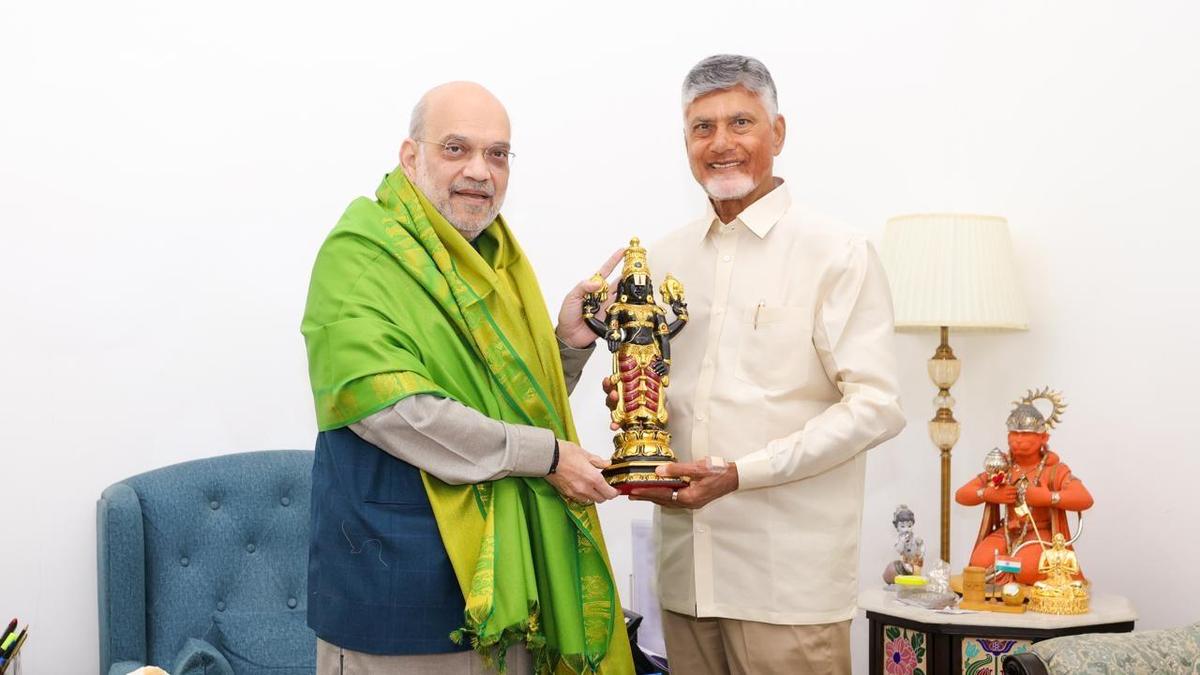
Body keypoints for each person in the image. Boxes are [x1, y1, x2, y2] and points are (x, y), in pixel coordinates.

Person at [301, 81, 633, 674]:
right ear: (411, 157)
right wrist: (548, 457)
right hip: (398, 598)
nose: (480, 170)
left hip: (513, 593)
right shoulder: (361, 258)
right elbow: (398, 413)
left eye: (497, 154)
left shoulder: (495, 261)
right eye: (456, 148)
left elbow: (507, 403)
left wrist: (567, 344)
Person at [608, 55, 906, 674]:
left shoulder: (837, 253)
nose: (721, 143)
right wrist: (634, 408)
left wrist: (742, 473)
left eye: (740, 122)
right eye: (703, 127)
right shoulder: (661, 260)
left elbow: (876, 407)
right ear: (685, 141)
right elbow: (663, 395)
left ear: (779, 132)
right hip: (686, 579)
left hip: (786, 586)